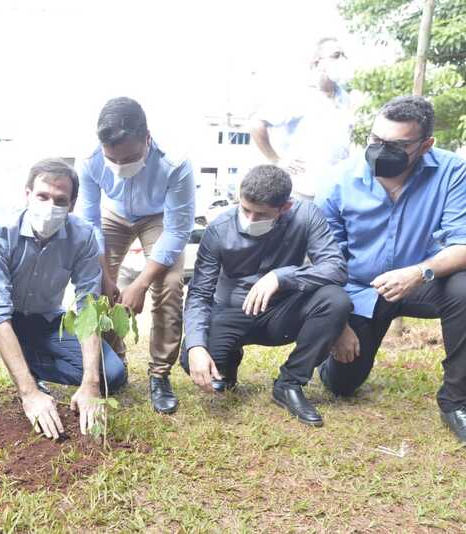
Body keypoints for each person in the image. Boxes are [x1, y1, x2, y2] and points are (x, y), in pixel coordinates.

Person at [0, 158, 127, 439]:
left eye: (60, 200)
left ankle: (30, 366)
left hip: (45, 322)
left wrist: (91, 383)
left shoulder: (82, 237)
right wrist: (29, 393)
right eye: (43, 196)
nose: (50, 206)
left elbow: (87, 309)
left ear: (72, 204)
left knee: (112, 375)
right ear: (27, 194)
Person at [317, 96, 466, 443]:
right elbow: (323, 261)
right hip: (360, 289)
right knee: (342, 385)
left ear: (425, 145)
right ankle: (325, 358)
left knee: (464, 288)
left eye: (397, 145)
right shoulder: (338, 181)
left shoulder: (453, 172)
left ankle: (456, 401)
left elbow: (463, 243)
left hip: (425, 282)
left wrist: (419, 272)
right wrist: (337, 324)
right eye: (376, 140)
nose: (382, 150)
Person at [182, 165, 350, 426]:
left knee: (336, 300)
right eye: (244, 209)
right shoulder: (219, 229)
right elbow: (200, 293)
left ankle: (289, 383)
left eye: (260, 214)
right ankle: (227, 363)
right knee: (191, 358)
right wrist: (195, 347)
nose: (249, 219)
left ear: (285, 207)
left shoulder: (306, 215)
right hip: (231, 312)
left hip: (282, 312)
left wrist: (281, 277)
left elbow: (335, 268)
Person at [77, 96, 195, 414]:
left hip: (158, 217)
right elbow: (89, 224)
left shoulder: (176, 163)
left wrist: (141, 284)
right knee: (97, 286)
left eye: (129, 158)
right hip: (114, 215)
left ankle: (160, 374)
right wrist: (106, 277)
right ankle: (114, 364)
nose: (119, 166)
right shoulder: (89, 160)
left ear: (147, 138)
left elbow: (177, 231)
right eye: (112, 159)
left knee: (169, 284)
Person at [249, 37, 355, 200]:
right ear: (317, 62)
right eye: (336, 55)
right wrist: (276, 160)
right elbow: (256, 125)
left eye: (343, 55)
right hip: (300, 192)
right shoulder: (299, 94)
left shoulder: (345, 98)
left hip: (334, 194)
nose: (341, 60)